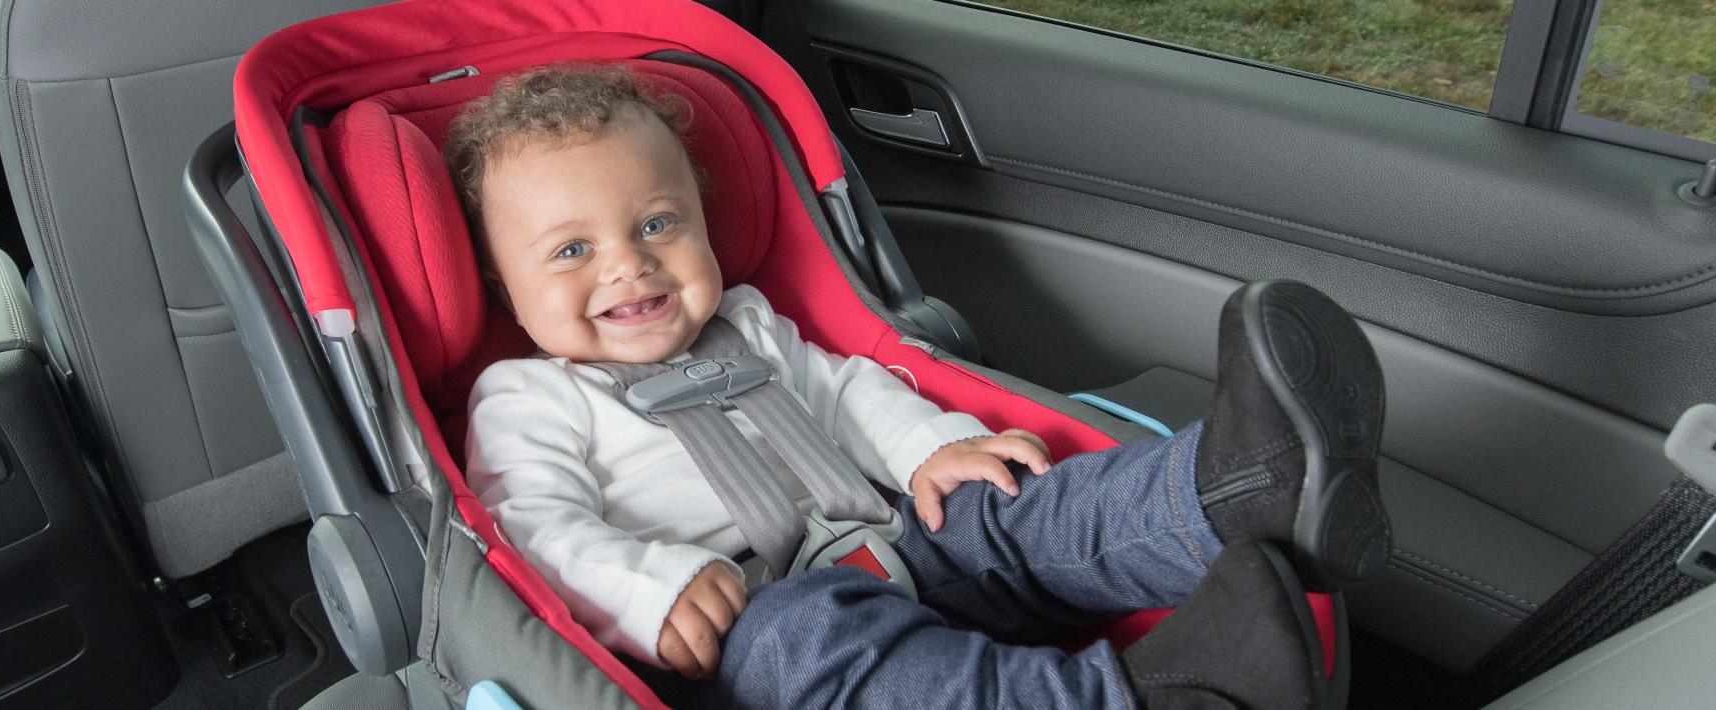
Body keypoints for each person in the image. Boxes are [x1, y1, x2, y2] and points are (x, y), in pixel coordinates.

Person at [455, 62, 1390, 709]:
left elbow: (851, 392)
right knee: (806, 646)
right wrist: (650, 591)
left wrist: (932, 447)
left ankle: (1240, 491)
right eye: (573, 250)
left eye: (658, 224)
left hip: (896, 544)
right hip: (742, 636)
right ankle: (1149, 698)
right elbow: (535, 532)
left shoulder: (745, 324)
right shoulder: (527, 400)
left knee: (1017, 508)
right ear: (505, 287)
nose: (629, 267)